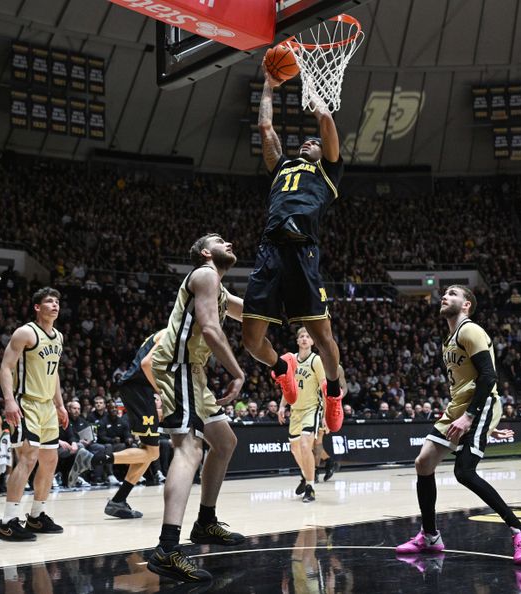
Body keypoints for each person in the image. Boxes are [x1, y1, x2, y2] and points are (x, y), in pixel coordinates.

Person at [396, 286, 521, 564]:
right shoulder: (448, 339)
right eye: (445, 294)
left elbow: (488, 377)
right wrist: (480, 422)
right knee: (423, 462)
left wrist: (473, 417)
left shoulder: (469, 330)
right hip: (460, 407)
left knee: (464, 471)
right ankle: (430, 536)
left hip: (477, 404)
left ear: (466, 305)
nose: (445, 296)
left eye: (452, 293)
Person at [242, 63, 344, 434]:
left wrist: (315, 96)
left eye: (313, 143)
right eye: (307, 141)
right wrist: (268, 85)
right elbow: (265, 128)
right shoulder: (282, 165)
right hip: (270, 250)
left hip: (303, 253)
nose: (309, 142)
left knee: (323, 338)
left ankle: (333, 391)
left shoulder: (328, 172)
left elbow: (328, 126)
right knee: (251, 341)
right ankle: (281, 368)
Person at [146, 233, 246, 584]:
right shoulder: (204, 274)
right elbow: (211, 328)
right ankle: (167, 549)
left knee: (225, 442)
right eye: (221, 240)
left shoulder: (218, 288)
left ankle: (205, 523)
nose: (229, 242)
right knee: (188, 450)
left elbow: (248, 313)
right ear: (206, 252)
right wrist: (237, 372)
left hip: (195, 371)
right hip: (179, 367)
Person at [0, 287, 69, 541]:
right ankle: (7, 522)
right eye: (49, 302)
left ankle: (37, 516)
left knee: (50, 461)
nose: (55, 305)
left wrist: (60, 405)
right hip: (26, 403)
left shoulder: (59, 337)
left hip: (48, 406)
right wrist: (9, 401)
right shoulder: (26, 332)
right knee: (28, 458)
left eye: (57, 302)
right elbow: (5, 368)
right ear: (37, 307)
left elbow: (54, 373)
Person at [67, 333, 164, 518]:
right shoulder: (170, 333)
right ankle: (91, 460)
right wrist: (163, 391)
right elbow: (146, 364)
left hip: (138, 388)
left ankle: (119, 501)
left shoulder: (164, 334)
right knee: (153, 453)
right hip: (139, 388)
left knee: (147, 451)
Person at [278, 327, 327, 503]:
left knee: (307, 445)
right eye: (302, 336)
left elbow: (324, 388)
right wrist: (282, 406)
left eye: (308, 336)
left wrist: (326, 415)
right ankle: (306, 475)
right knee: (295, 449)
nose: (305, 338)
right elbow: (288, 386)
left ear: (312, 342)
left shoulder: (316, 360)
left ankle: (310, 487)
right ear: (297, 341)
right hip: (296, 410)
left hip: (312, 409)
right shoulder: (291, 360)